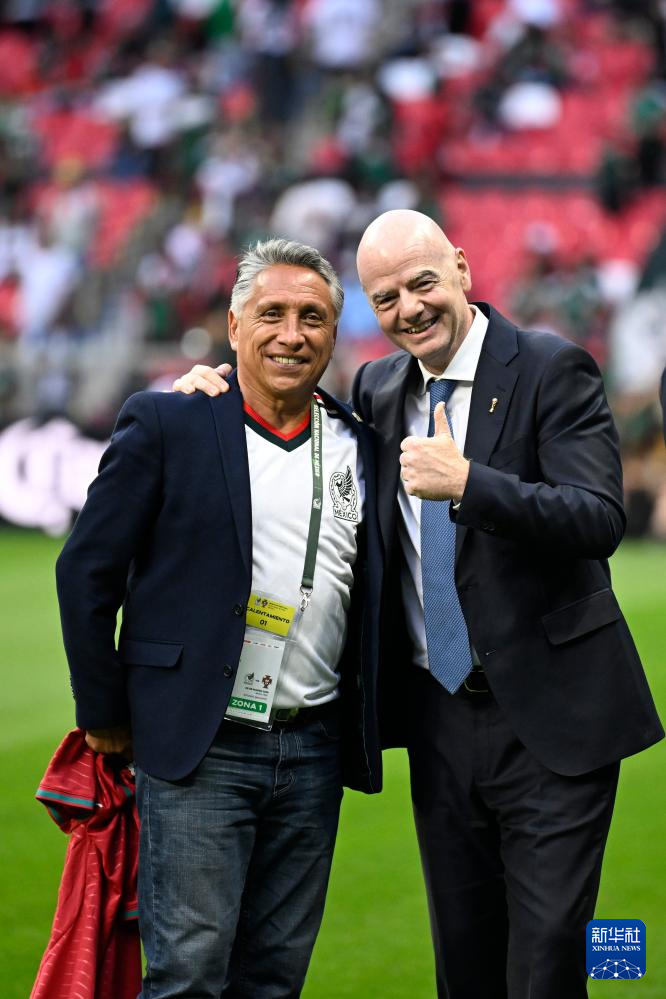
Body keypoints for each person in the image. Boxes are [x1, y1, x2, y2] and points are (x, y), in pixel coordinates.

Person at [174, 210, 663, 999]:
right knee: (464, 962)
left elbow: (599, 517)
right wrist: (213, 398)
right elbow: (293, 422)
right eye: (386, 296)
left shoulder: (550, 367)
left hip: (552, 716)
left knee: (547, 961)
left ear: (462, 269)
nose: (409, 308)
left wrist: (469, 483)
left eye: (422, 283)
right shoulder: (378, 387)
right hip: (439, 720)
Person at [56, 238, 383, 999]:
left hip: (314, 747)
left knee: (274, 978)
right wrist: (102, 713)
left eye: (312, 317)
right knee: (189, 977)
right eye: (272, 314)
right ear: (234, 327)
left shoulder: (359, 444)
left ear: (334, 332)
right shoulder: (171, 422)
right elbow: (85, 570)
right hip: (202, 745)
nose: (292, 334)